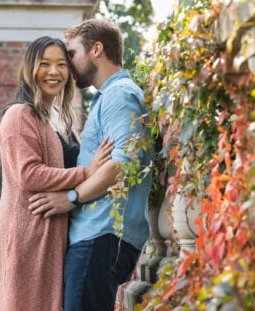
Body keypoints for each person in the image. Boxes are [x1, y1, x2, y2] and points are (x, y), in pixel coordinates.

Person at [28, 19, 153, 311]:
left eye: (71, 54)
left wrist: (71, 198)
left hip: (101, 236)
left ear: (96, 49)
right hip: (99, 237)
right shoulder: (107, 97)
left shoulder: (119, 95)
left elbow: (125, 162)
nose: (68, 65)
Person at [0, 36, 113, 311]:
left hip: (55, 236)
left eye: (61, 65)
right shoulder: (19, 115)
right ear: (30, 69)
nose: (54, 72)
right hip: (29, 238)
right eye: (44, 64)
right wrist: (85, 173)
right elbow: (28, 175)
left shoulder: (61, 119)